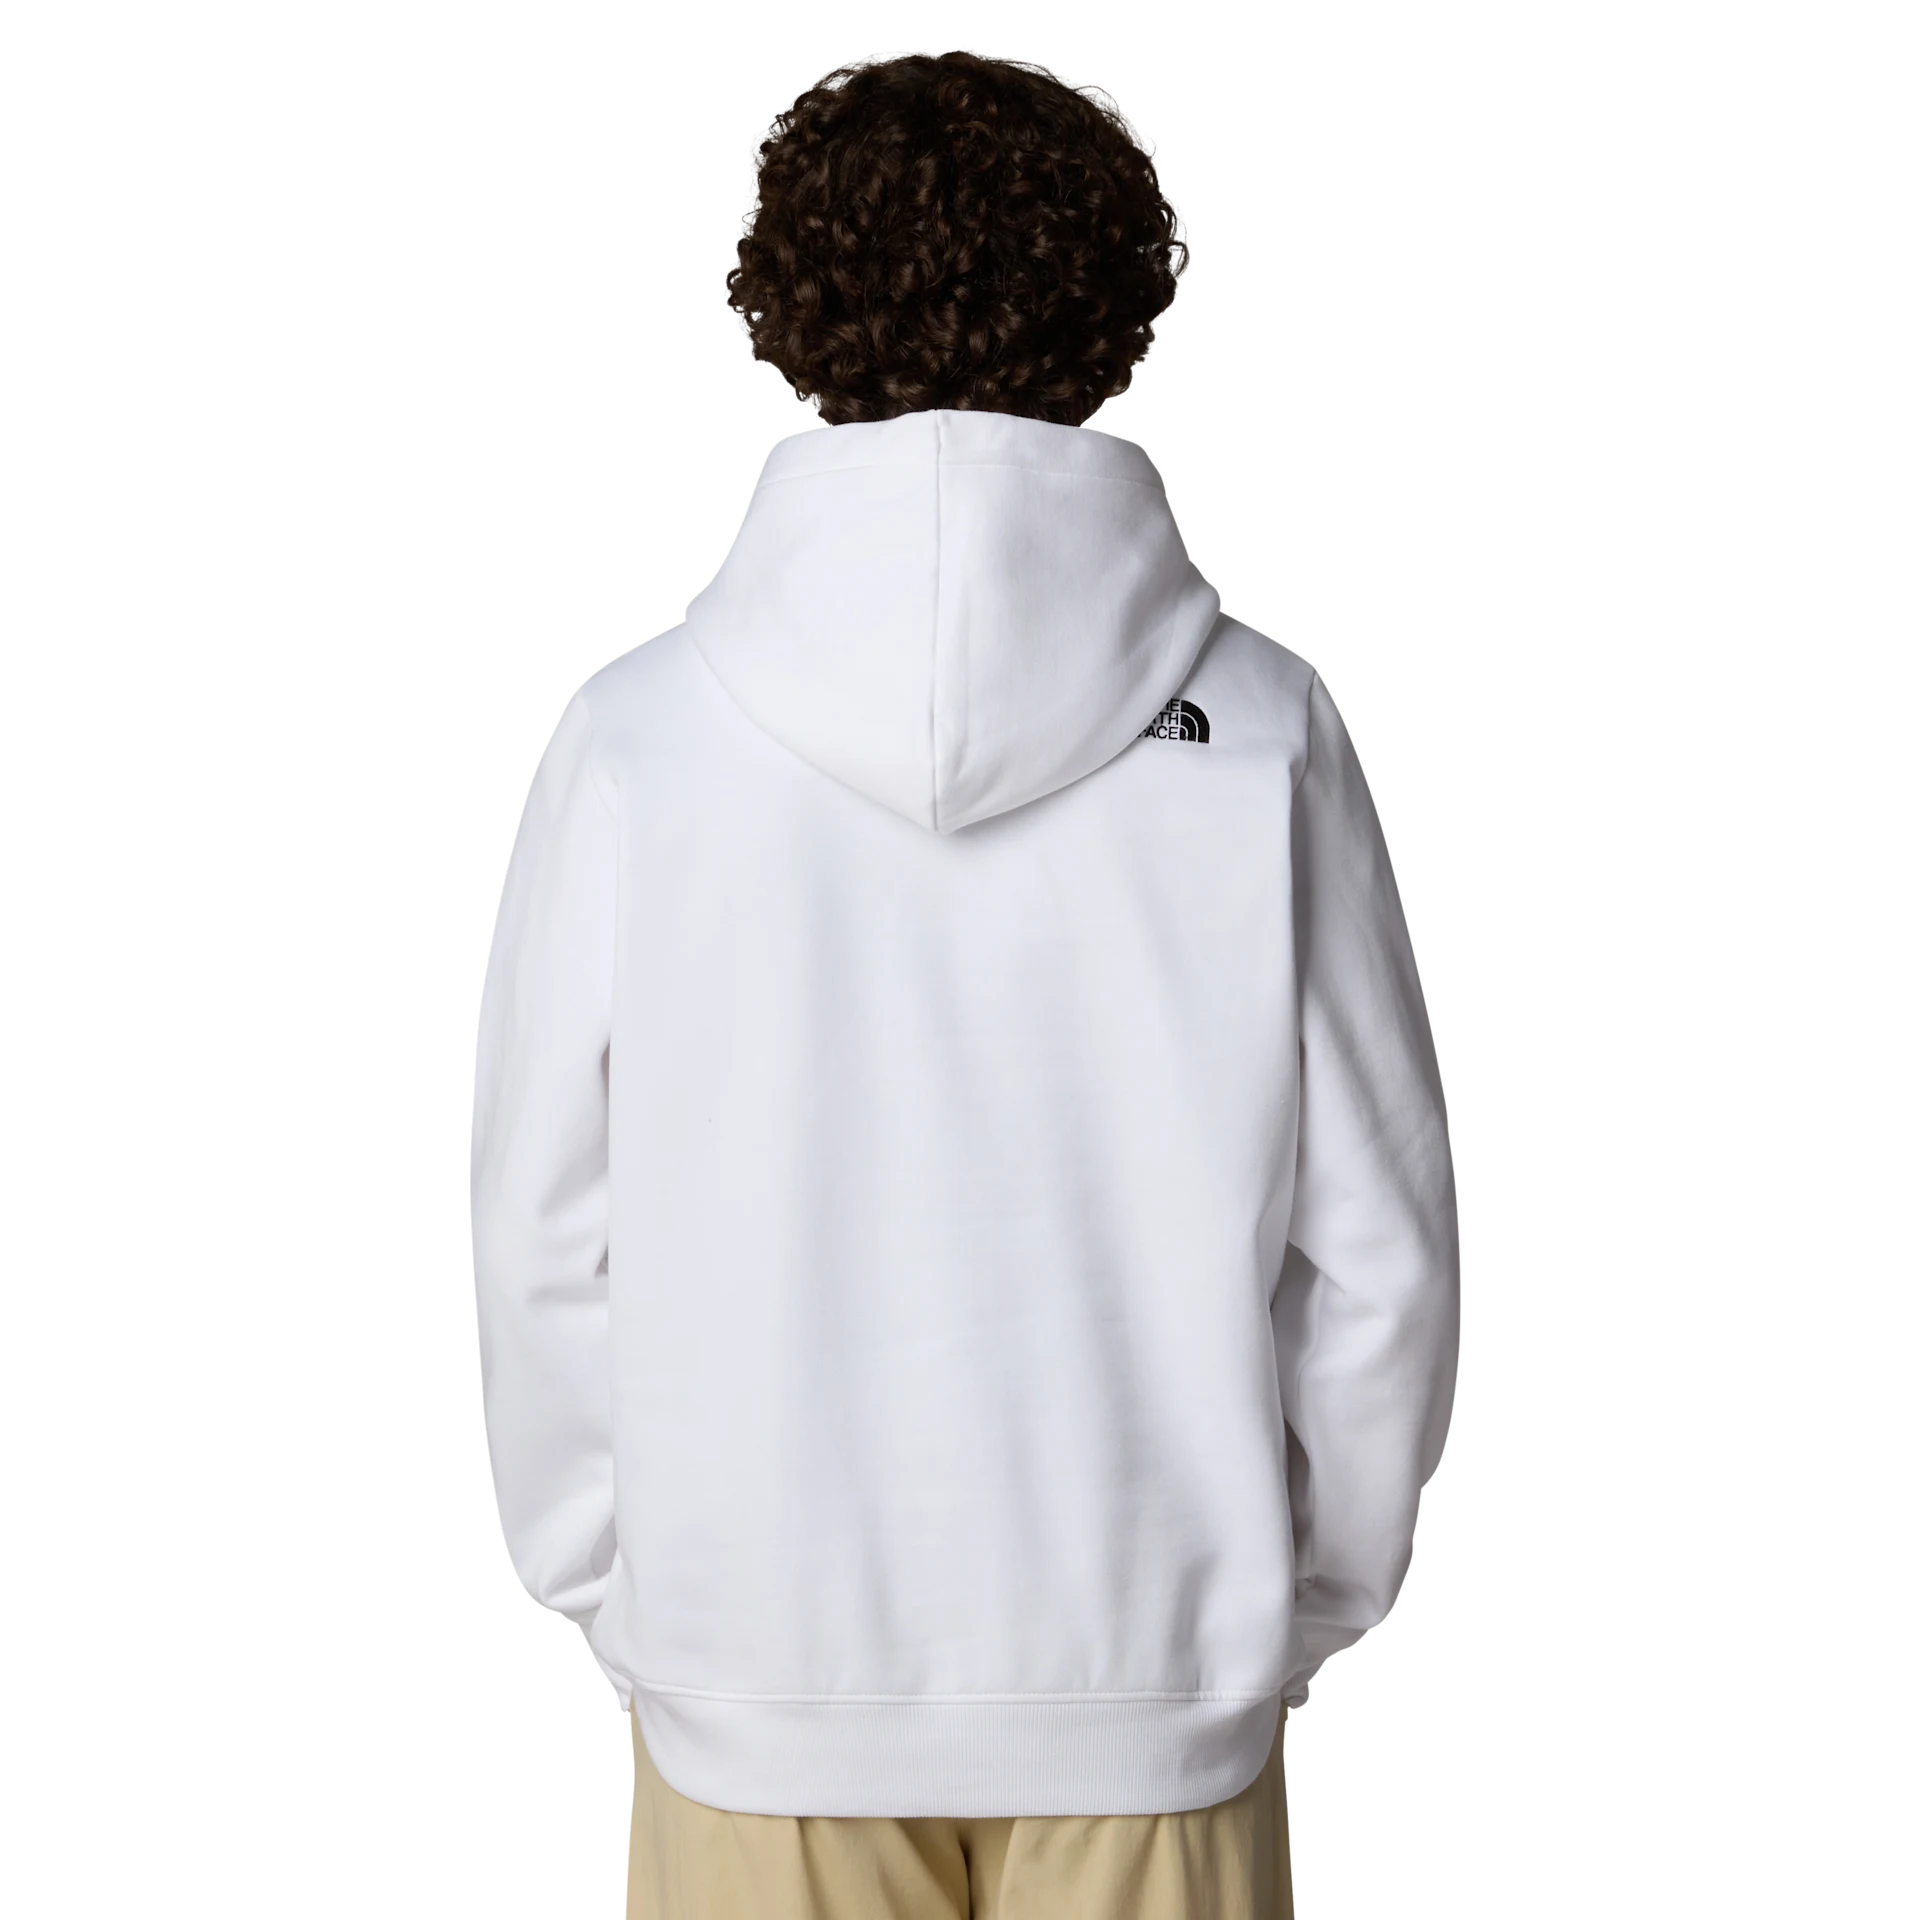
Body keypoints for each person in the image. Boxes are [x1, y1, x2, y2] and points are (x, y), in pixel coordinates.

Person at [467, 46, 1461, 1920]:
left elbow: (539, 1230)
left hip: (758, 1682)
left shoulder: (638, 736)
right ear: (1119, 300)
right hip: (1157, 1672)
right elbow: (1383, 1242)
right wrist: (1283, 1616)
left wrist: (632, 1599)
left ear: (789, 299)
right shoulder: (1263, 728)